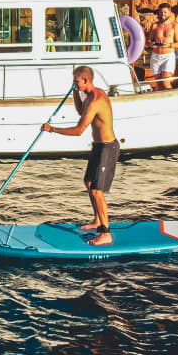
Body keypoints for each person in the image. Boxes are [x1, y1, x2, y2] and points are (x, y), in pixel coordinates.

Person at [41, 65, 119, 245]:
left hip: (107, 148)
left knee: (97, 190)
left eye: (76, 81)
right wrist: (75, 93)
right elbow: (80, 111)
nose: (74, 83)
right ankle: (98, 220)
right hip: (98, 147)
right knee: (89, 182)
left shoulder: (97, 99)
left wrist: (52, 129)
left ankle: (105, 233)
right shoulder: (90, 96)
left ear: (86, 80)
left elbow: (78, 131)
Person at [146, 3, 178, 90]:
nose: (163, 14)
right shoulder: (154, 25)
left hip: (168, 56)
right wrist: (151, 44)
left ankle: (173, 100)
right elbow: (148, 40)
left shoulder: (174, 26)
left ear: (169, 13)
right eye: (161, 12)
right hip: (156, 56)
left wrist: (169, 45)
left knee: (165, 81)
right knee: (158, 83)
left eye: (165, 12)